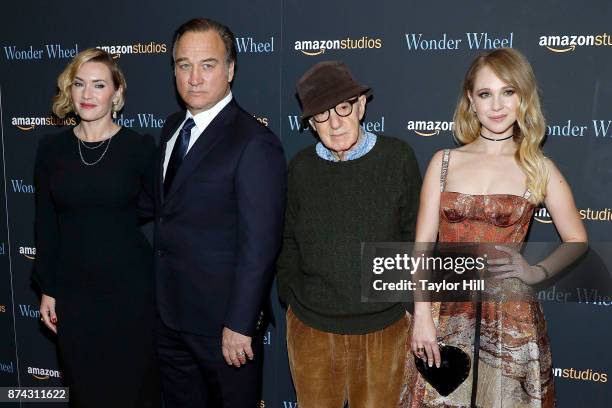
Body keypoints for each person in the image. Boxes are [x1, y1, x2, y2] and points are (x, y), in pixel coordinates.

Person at [405, 48, 587, 407]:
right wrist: (422, 316)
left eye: (508, 92)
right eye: (486, 94)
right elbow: (423, 247)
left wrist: (536, 272)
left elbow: (577, 239)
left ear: (523, 97)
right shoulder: (443, 162)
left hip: (511, 315)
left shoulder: (538, 167)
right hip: (445, 313)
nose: (497, 105)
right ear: (471, 101)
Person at [153, 18, 286, 407]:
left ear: (229, 70)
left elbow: (260, 244)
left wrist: (240, 324)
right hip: (169, 318)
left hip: (224, 330)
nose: (194, 78)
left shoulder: (254, 143)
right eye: (183, 65)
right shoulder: (172, 127)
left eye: (207, 65)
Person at [277, 61, 422, 408]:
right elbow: (287, 240)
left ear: (360, 105)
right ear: (311, 124)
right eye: (322, 115)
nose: (335, 122)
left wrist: (406, 308)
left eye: (342, 107)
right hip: (311, 328)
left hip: (383, 329)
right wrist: (291, 297)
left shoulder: (397, 157)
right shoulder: (300, 168)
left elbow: (415, 236)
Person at [34, 48, 160, 407]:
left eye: (99, 85)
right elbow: (45, 223)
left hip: (132, 294)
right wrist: (48, 287)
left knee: (134, 391)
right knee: (85, 391)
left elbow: (161, 212)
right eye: (79, 84)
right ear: (69, 90)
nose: (88, 95)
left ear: (116, 94)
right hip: (74, 296)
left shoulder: (139, 148)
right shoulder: (51, 150)